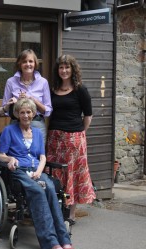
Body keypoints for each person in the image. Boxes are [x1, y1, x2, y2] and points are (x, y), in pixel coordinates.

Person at [0, 98, 74, 249]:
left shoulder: (38, 133)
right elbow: (1, 156)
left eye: (28, 112)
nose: (25, 115)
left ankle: (64, 239)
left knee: (51, 189)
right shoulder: (9, 131)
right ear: (17, 114)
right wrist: (10, 159)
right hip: (19, 171)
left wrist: (39, 171)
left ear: (33, 114)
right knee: (38, 191)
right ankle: (50, 243)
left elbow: (42, 157)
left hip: (36, 170)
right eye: (22, 112)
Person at [46, 54, 96, 224]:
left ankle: (71, 212)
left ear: (73, 69)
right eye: (61, 67)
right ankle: (58, 207)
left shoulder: (80, 89)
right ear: (57, 70)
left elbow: (88, 115)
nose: (64, 70)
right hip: (54, 139)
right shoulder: (53, 89)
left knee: (71, 176)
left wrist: (79, 133)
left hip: (73, 140)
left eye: (67, 67)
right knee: (55, 174)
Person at [2, 49, 52, 142]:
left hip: (37, 124)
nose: (28, 64)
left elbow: (47, 110)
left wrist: (33, 100)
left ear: (35, 63)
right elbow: (5, 109)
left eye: (31, 61)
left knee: (37, 155)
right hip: (16, 124)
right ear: (20, 64)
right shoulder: (11, 82)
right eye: (24, 61)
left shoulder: (43, 82)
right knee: (15, 154)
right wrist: (17, 102)